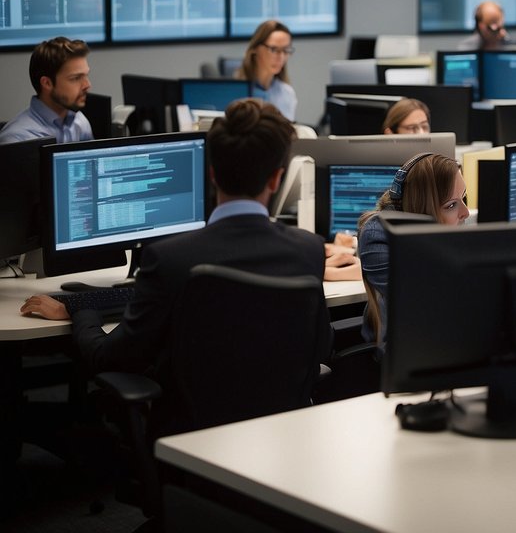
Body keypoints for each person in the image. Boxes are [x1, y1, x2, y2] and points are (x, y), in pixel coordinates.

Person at [20, 100, 331, 436]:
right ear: (276, 178)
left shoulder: (171, 258)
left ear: (211, 173)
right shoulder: (308, 250)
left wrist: (80, 311)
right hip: (281, 435)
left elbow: (112, 357)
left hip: (190, 442)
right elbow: (321, 348)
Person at [357, 153, 469, 343]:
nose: (465, 213)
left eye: (464, 197)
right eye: (451, 205)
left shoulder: (450, 231)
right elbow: (429, 303)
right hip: (406, 352)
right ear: (422, 210)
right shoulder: (378, 233)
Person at [0, 36, 94, 145]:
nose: (87, 85)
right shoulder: (17, 140)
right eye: (76, 78)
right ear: (47, 83)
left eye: (86, 75)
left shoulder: (80, 123)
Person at [236, 20, 298, 121]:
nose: (281, 57)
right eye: (273, 49)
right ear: (255, 49)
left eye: (286, 50)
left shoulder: (287, 93)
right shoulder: (236, 93)